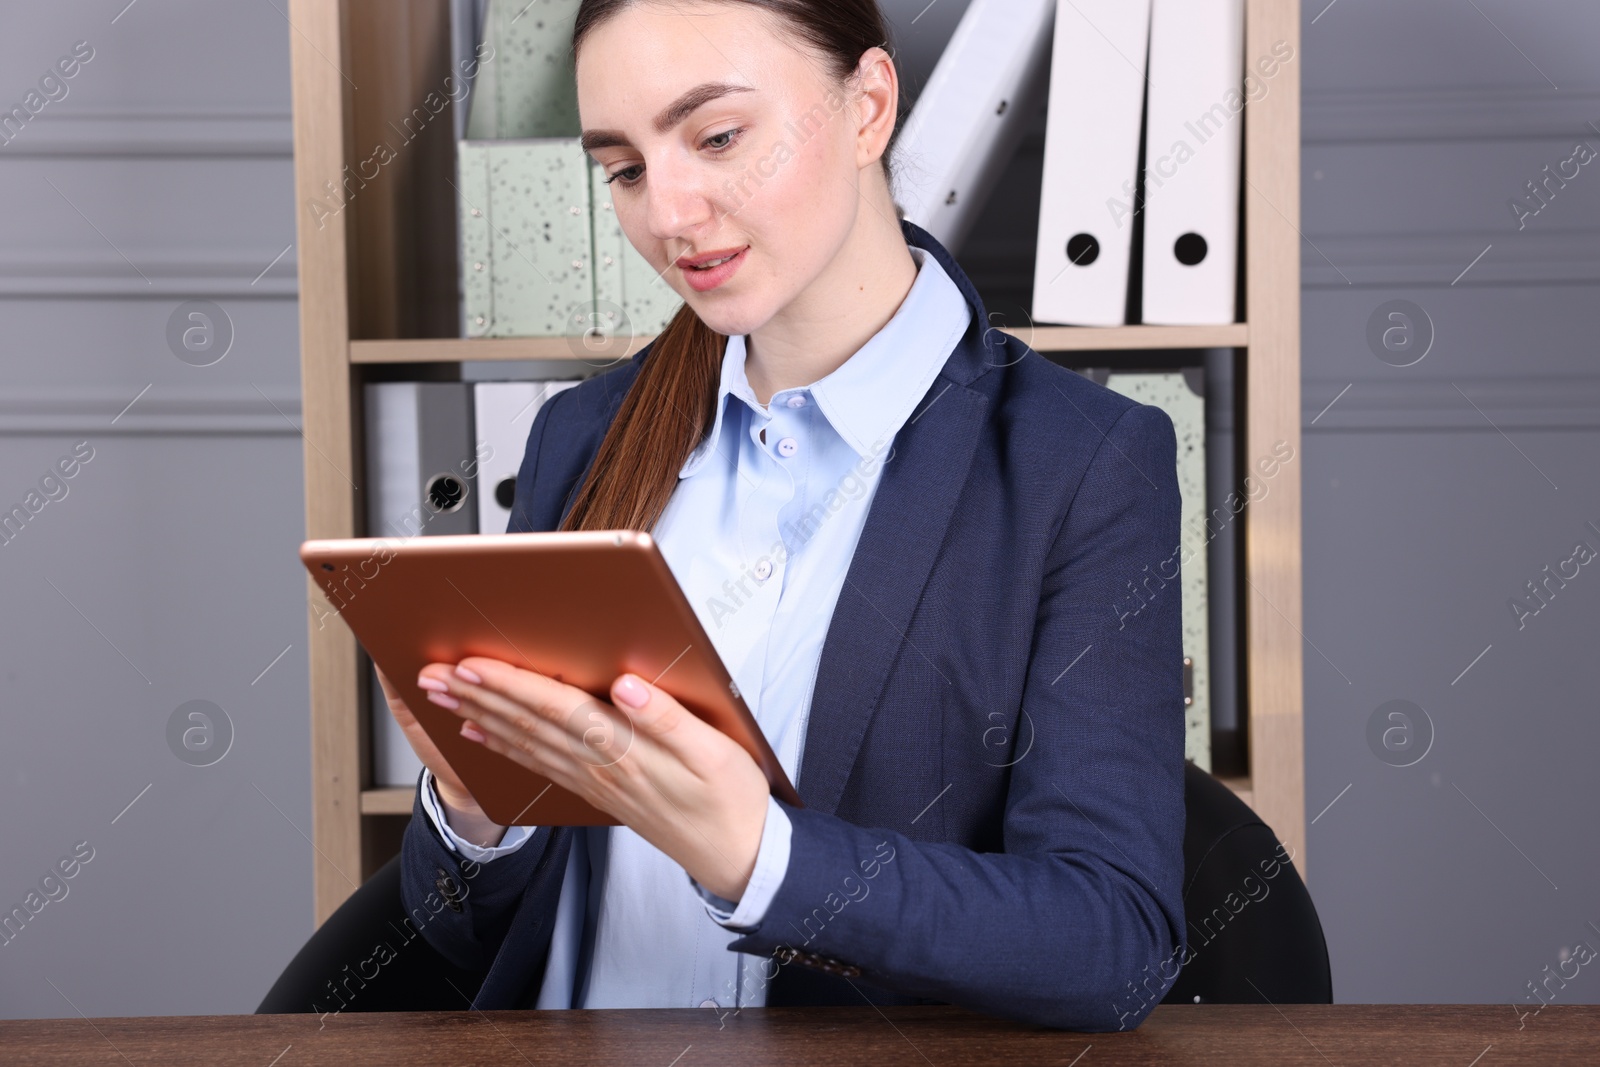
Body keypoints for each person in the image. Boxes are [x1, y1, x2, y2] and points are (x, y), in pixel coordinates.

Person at [378, 0, 1187, 1031]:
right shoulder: (580, 437)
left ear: (868, 107)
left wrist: (763, 860)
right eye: (623, 168)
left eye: (717, 138)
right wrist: (481, 814)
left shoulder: (1081, 465)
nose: (666, 213)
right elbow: (465, 940)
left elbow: (1111, 942)